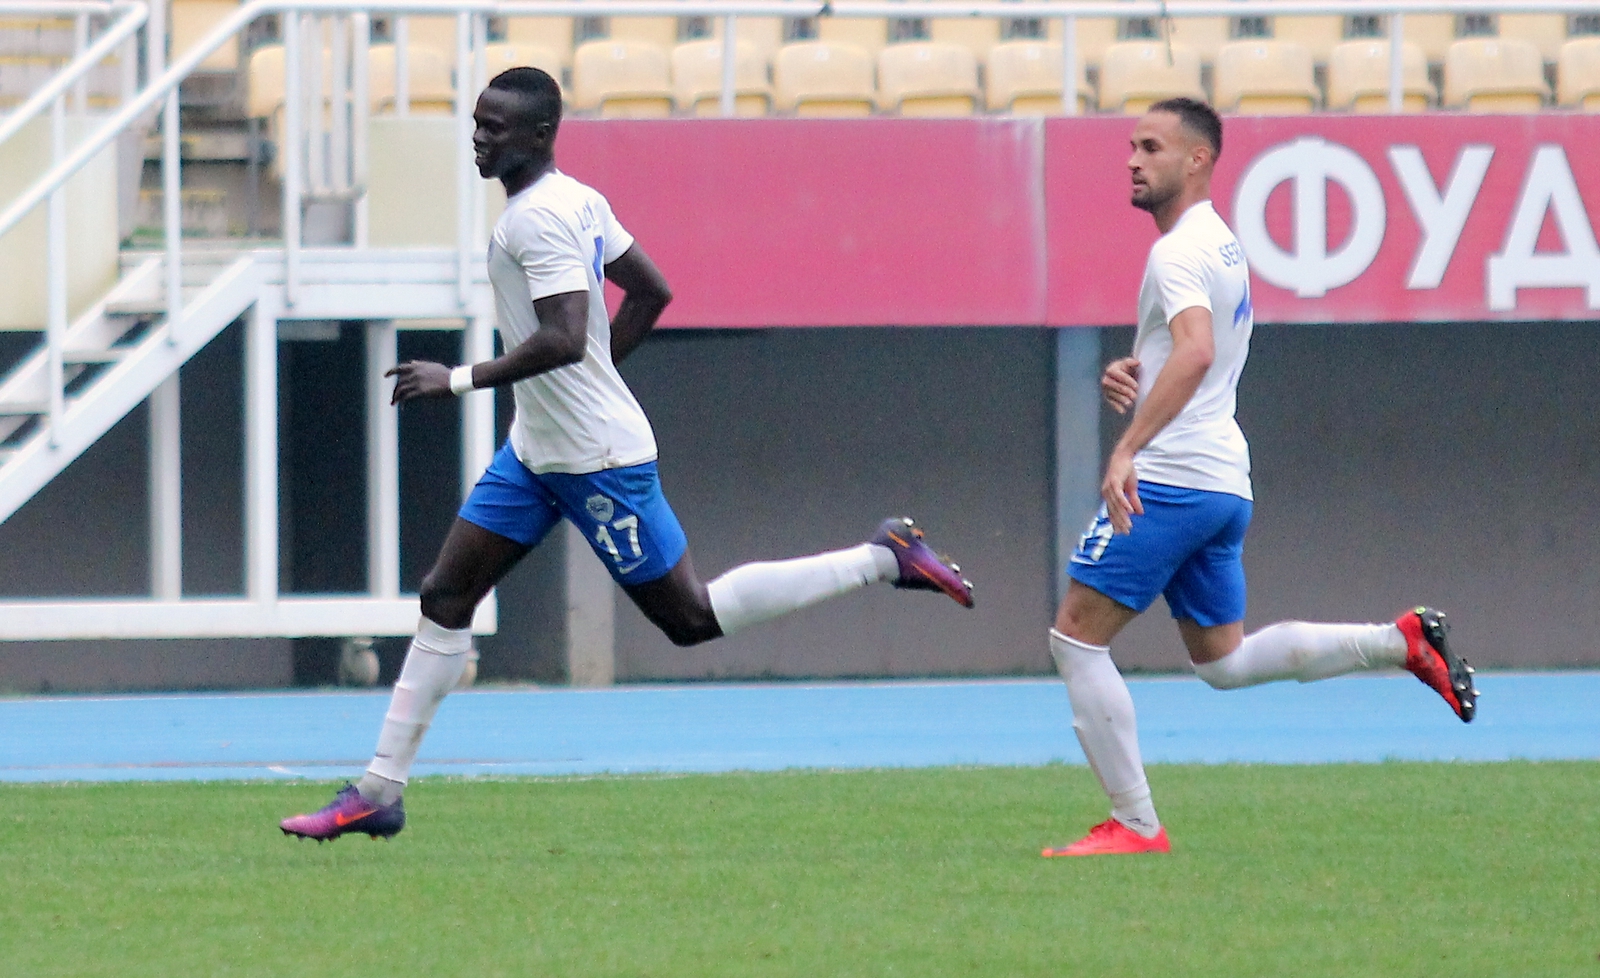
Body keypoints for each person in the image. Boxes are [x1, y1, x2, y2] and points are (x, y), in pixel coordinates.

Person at [280, 67, 973, 842]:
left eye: (494, 127)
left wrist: (459, 379)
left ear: (540, 134)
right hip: (536, 451)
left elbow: (565, 337)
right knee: (446, 594)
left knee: (690, 617)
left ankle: (883, 558)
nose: (478, 138)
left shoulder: (537, 220)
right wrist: (596, 378)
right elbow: (650, 291)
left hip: (595, 460)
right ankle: (378, 790)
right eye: (475, 123)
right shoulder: (577, 198)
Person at [1040, 98, 1478, 858]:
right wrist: (1135, 374)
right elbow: (1188, 351)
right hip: (1221, 481)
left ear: (1198, 160)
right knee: (1224, 662)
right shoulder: (1220, 243)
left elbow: (1197, 352)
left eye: (1151, 147)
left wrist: (1127, 448)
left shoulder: (1177, 252)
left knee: (1075, 640)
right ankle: (1397, 642)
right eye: (1131, 146)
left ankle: (1135, 824)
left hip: (1170, 480)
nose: (1133, 160)